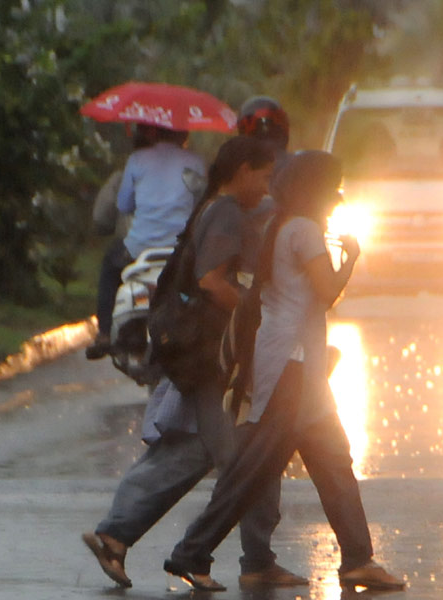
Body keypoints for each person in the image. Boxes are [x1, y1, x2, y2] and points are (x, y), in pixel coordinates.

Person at [162, 151, 404, 592]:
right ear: (316, 190)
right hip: (291, 368)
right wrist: (350, 258)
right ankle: (190, 553)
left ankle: (357, 558)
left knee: (334, 462)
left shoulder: (282, 225)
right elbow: (327, 292)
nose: (337, 199)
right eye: (333, 190)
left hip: (296, 365)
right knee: (254, 468)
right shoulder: (306, 230)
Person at [83, 136, 308, 590]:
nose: (266, 187)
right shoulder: (224, 212)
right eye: (263, 176)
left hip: (203, 353)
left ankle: (117, 535)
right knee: (248, 458)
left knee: (198, 452)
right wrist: (254, 312)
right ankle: (216, 556)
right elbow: (211, 280)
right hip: (210, 354)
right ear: (242, 169)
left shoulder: (216, 207)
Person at [87, 125, 205, 360]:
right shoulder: (196, 162)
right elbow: (202, 205)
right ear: (183, 135)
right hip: (181, 250)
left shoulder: (137, 160)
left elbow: (124, 205)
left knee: (110, 267)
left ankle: (103, 333)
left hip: (137, 249)